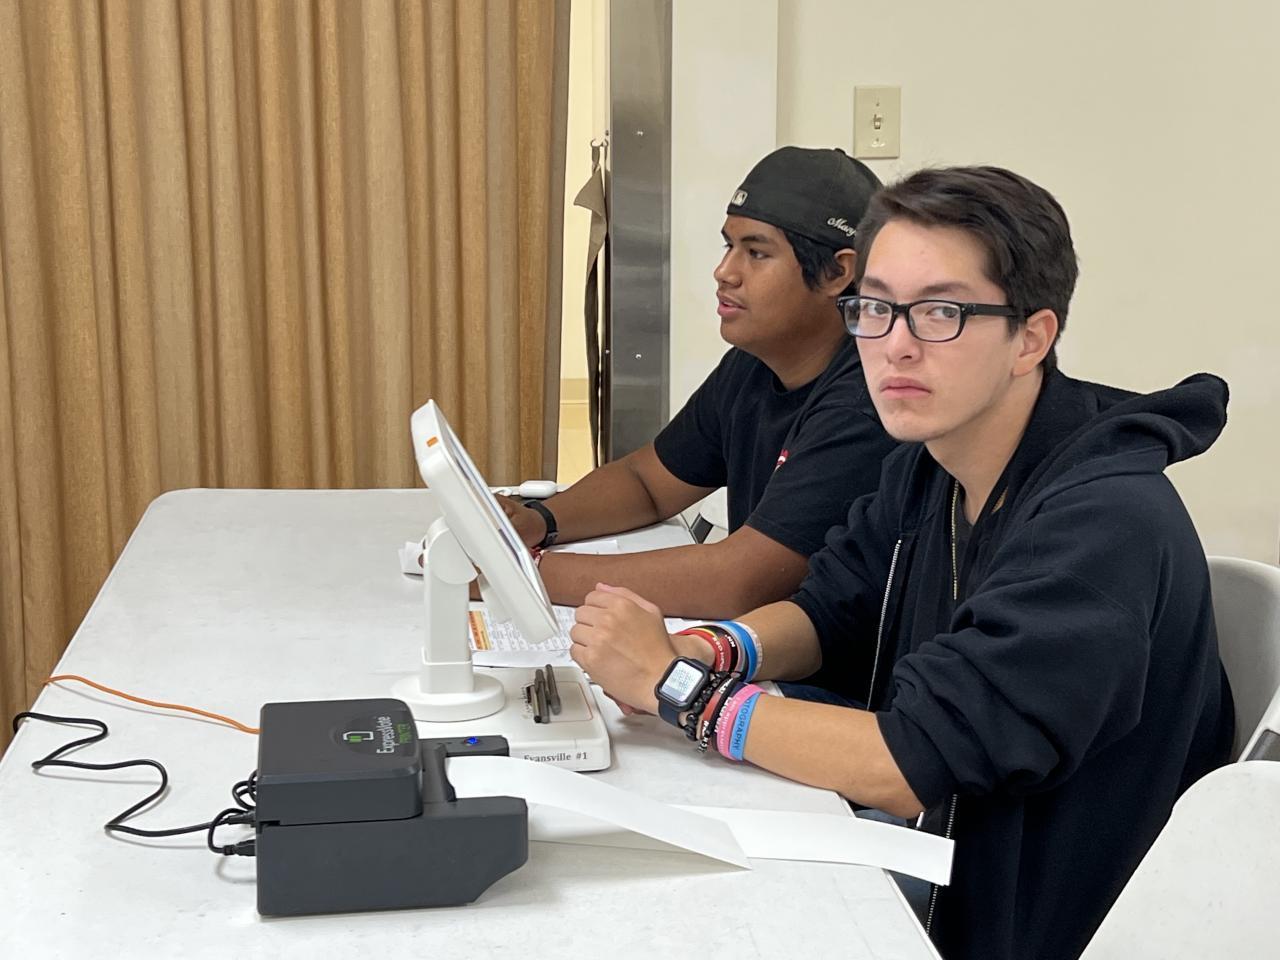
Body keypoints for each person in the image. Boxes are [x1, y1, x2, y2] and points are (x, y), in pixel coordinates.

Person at [568, 165, 1235, 960]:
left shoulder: (1104, 522)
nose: (895, 345)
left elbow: (911, 761)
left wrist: (680, 689)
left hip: (1016, 916)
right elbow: (827, 611)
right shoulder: (933, 463)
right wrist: (707, 649)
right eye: (877, 308)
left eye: (942, 312)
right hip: (940, 848)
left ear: (1032, 338)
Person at [502, 147, 898, 617]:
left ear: (837, 272)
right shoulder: (751, 366)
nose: (724, 272)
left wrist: (516, 575)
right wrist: (539, 521)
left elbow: (737, 582)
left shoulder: (867, 402)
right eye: (729, 247)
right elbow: (647, 483)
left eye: (756, 252)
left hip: (821, 664)